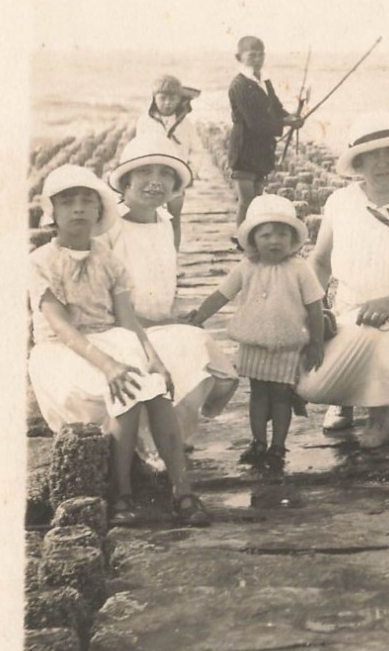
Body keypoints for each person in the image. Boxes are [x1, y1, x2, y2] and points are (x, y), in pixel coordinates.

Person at [27, 165, 211, 526]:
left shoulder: (108, 260)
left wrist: (155, 360)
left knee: (155, 389)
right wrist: (110, 366)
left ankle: (183, 489)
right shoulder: (40, 262)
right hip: (63, 351)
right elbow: (62, 328)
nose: (78, 208)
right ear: (52, 212)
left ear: (99, 211)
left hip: (111, 338)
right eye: (67, 202)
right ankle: (121, 494)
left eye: (87, 201)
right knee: (125, 392)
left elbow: (128, 320)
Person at [296, 112, 389, 449]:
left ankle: (380, 412)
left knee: (376, 332)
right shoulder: (340, 201)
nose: (383, 163)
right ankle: (346, 398)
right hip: (347, 314)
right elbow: (321, 261)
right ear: (357, 162)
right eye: (371, 156)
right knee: (307, 384)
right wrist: (307, 307)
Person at [105, 135, 239, 455]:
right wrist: (157, 325)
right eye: (144, 173)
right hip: (118, 330)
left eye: (165, 174)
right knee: (195, 350)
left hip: (155, 324)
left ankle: (169, 435)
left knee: (225, 376)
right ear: (125, 181)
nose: (155, 182)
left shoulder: (164, 222)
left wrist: (169, 320)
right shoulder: (109, 228)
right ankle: (155, 445)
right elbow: (103, 303)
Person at [188, 195, 325, 474]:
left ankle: (278, 445)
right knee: (258, 394)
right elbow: (221, 295)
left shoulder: (300, 268)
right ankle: (258, 441)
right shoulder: (246, 267)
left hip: (287, 343)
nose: (274, 241)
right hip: (254, 343)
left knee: (282, 395)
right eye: (266, 235)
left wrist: (316, 343)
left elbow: (315, 306)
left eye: (282, 234)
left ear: (292, 238)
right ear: (252, 239)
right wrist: (198, 318)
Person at [227, 36, 302, 229]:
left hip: (261, 149)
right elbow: (255, 122)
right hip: (244, 149)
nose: (258, 59)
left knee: (257, 199)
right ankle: (243, 244)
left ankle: (251, 240)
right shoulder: (239, 84)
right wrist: (284, 122)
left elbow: (276, 108)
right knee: (247, 202)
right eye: (252, 55)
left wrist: (291, 118)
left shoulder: (264, 81)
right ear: (239, 57)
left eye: (261, 55)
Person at [135, 74, 214, 248]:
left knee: (174, 218)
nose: (167, 103)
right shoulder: (145, 122)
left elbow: (197, 150)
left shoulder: (186, 124)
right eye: (162, 98)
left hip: (176, 179)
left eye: (173, 98)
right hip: (151, 179)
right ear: (154, 99)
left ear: (180, 99)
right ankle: (155, 257)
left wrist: (190, 172)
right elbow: (138, 150)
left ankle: (172, 257)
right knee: (151, 219)